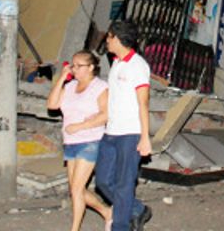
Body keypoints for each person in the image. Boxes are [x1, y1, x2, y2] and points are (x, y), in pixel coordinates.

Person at [95, 20, 152, 231]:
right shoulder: (117, 63)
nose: (106, 41)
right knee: (102, 181)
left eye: (109, 37)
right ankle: (137, 209)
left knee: (123, 185)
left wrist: (145, 137)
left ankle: (121, 227)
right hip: (111, 132)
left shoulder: (138, 65)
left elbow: (143, 102)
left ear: (117, 38)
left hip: (130, 133)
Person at [47, 50, 113, 231]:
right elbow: (52, 105)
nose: (74, 69)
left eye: (78, 66)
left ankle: (75, 229)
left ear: (91, 67)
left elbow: (106, 114)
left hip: (90, 140)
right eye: (72, 65)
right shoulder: (70, 87)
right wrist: (62, 79)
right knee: (76, 190)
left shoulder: (100, 87)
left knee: (77, 189)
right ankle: (107, 212)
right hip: (70, 141)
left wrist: (80, 126)